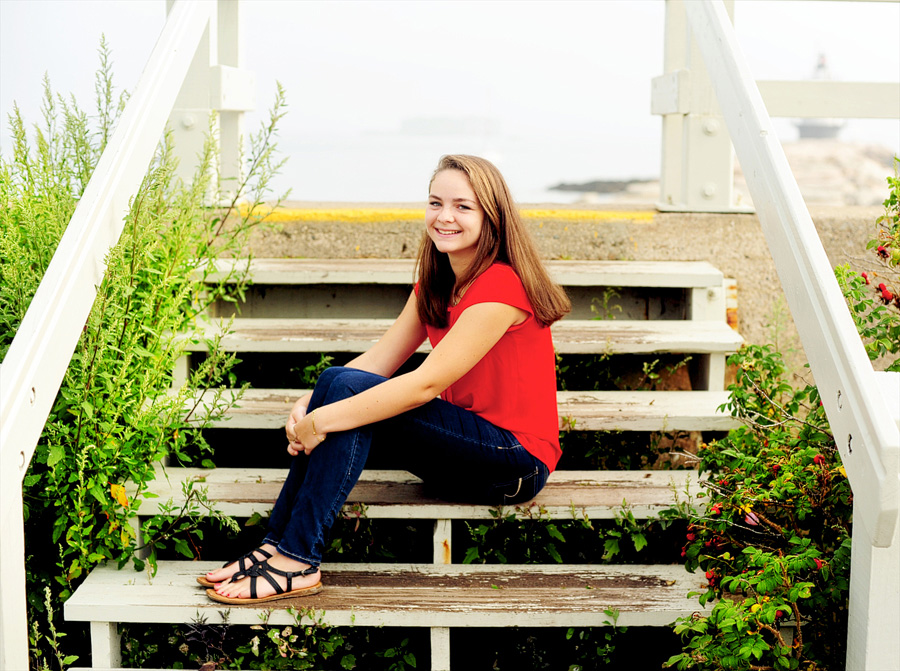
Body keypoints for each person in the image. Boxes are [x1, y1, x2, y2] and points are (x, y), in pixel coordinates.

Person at [203, 154, 571, 604]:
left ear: (492, 217)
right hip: (465, 453)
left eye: (463, 206)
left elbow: (423, 384)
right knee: (338, 380)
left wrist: (322, 421)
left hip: (515, 463)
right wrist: (309, 404)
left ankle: (297, 558)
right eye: (435, 203)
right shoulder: (438, 283)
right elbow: (378, 361)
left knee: (344, 394)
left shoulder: (501, 287)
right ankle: (275, 548)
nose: (445, 216)